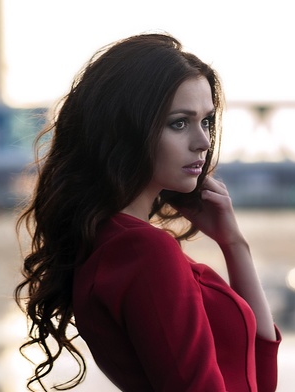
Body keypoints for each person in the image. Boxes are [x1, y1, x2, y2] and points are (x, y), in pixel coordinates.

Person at [14, 33, 280, 392]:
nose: (203, 141)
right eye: (179, 123)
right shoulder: (142, 251)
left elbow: (259, 378)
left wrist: (234, 244)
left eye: (206, 121)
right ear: (127, 131)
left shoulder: (111, 243)